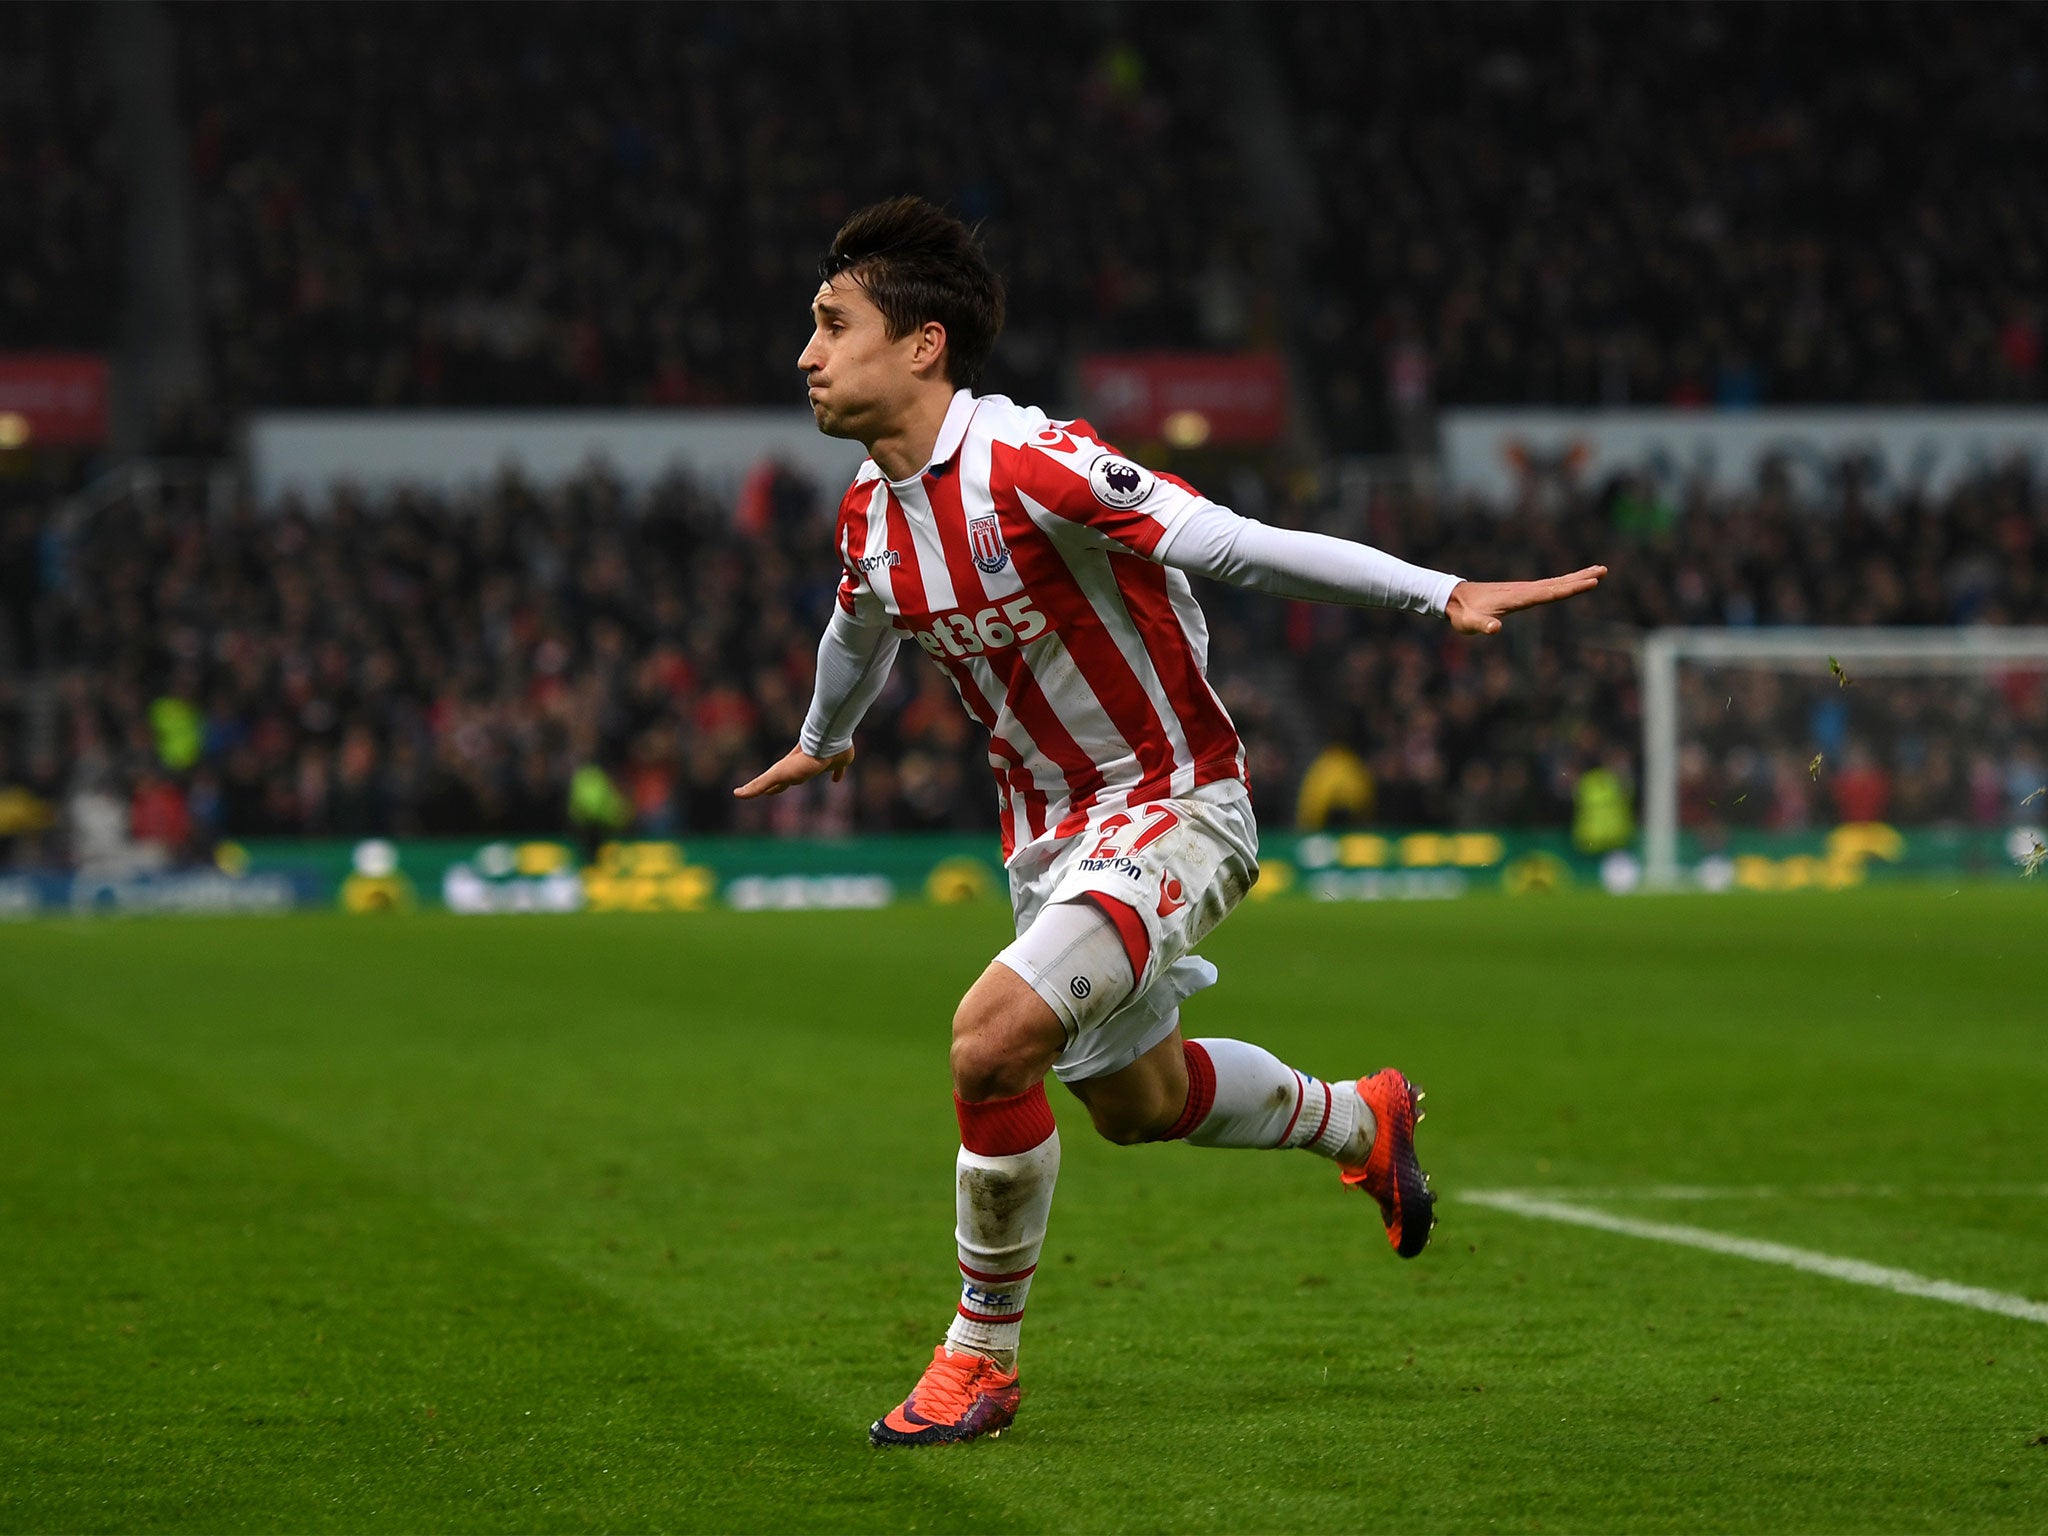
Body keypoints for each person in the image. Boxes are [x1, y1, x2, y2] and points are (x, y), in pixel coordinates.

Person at [735, 197, 1606, 1448]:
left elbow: (1239, 545)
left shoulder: (1033, 464)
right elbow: (853, 632)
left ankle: (977, 1361)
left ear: (921, 345)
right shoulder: (870, 514)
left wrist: (1442, 592)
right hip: (1050, 844)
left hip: (1172, 806)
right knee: (1137, 1103)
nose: (806, 354)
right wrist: (821, 742)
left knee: (987, 1045)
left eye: (832, 324)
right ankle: (1360, 1117)